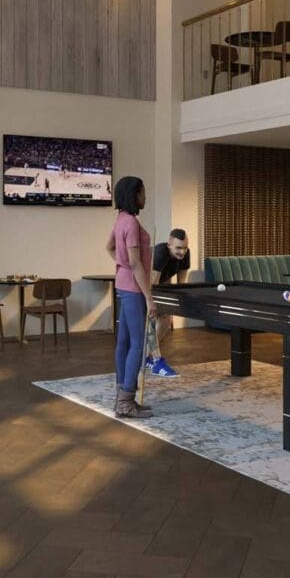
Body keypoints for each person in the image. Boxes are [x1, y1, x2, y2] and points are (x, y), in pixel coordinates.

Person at [105, 176, 155, 418]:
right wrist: (149, 297)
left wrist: (120, 265)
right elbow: (136, 263)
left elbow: (110, 247)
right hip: (134, 289)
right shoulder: (132, 223)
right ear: (134, 195)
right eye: (143, 192)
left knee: (123, 342)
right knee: (137, 343)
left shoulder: (120, 219)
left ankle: (121, 398)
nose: (145, 197)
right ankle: (126, 401)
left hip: (121, 284)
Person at [144, 229, 190, 377]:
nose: (182, 252)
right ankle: (157, 361)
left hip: (160, 283)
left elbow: (180, 285)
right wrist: (153, 305)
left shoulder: (185, 254)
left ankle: (145, 357)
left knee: (166, 318)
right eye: (178, 248)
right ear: (169, 244)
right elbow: (153, 285)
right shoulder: (160, 253)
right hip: (140, 284)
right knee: (151, 319)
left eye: (184, 247)